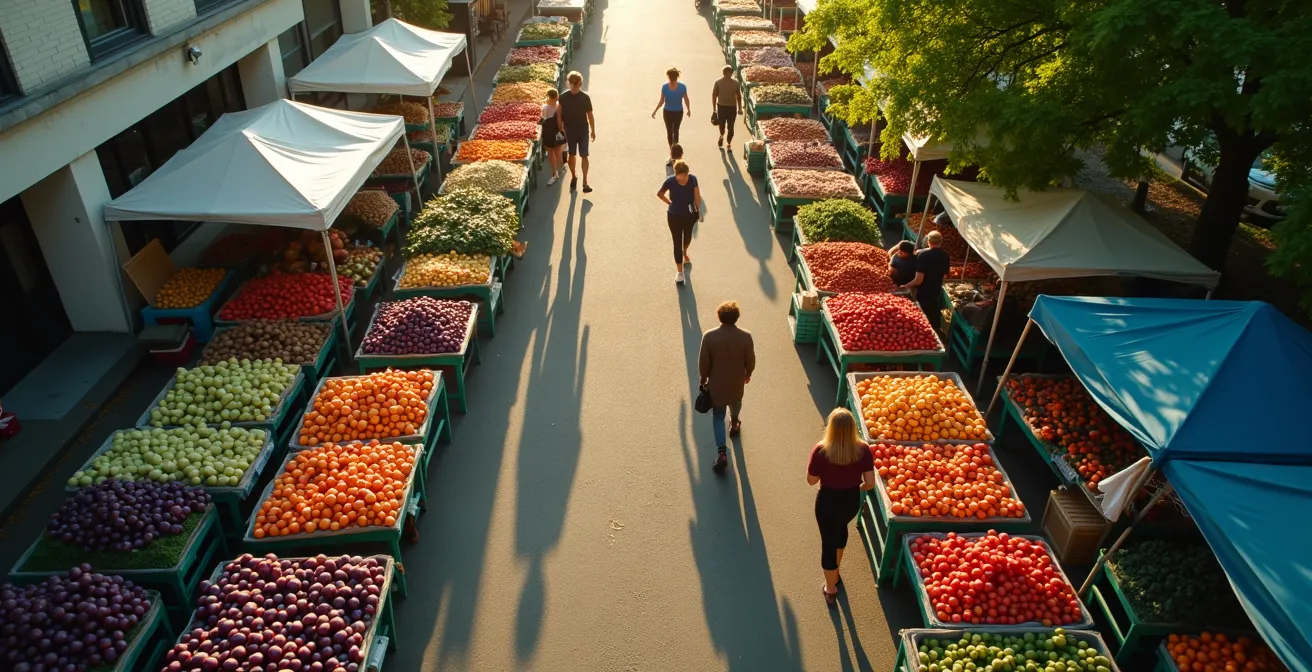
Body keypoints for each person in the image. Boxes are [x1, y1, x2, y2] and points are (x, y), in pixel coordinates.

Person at [806, 407, 875, 605]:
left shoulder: (821, 450)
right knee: (841, 529)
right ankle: (836, 572)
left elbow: (811, 480)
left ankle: (830, 587)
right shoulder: (863, 449)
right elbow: (869, 483)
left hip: (827, 500)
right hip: (851, 500)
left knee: (828, 541)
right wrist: (857, 487)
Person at [698, 301, 755, 472]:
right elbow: (750, 360)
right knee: (736, 402)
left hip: (716, 384)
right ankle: (735, 423)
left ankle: (722, 452)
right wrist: (748, 374)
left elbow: (703, 362)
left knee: (718, 415)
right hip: (736, 382)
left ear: (719, 316)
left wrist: (703, 379)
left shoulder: (709, 336)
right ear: (737, 317)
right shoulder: (746, 337)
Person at [657, 160, 701, 284]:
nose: (681, 179)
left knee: (687, 238)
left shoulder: (693, 179)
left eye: (684, 176)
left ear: (688, 173)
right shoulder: (670, 181)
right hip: (674, 216)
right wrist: (669, 203)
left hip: (690, 215)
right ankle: (680, 272)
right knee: (677, 241)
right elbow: (660, 194)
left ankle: (685, 251)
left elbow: (697, 195)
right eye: (679, 176)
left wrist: (698, 209)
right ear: (675, 174)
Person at [900, 230, 951, 330]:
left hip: (924, 292)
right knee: (934, 314)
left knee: (923, 318)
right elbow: (946, 275)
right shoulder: (945, 255)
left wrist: (906, 285)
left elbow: (918, 280)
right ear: (941, 242)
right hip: (937, 290)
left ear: (928, 241)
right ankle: (936, 331)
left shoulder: (923, 256)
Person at [557, 71, 595, 193]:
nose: (575, 87)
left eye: (577, 85)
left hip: (583, 129)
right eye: (573, 85)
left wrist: (593, 130)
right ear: (569, 83)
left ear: (580, 84)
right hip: (570, 130)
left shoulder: (585, 98)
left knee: (584, 155)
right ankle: (574, 176)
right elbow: (559, 115)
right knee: (571, 155)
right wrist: (560, 128)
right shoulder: (563, 97)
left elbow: (590, 115)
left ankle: (585, 182)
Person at [651, 67, 691, 166]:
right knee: (673, 131)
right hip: (673, 112)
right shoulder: (681, 87)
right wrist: (688, 109)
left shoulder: (668, 87)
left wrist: (689, 109)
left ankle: (674, 154)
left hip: (672, 112)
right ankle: (674, 154)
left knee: (673, 131)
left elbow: (662, 101)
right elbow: (686, 99)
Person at [710, 65, 742, 149]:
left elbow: (739, 96)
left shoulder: (736, 84)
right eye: (726, 73)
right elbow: (714, 96)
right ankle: (721, 136)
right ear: (723, 73)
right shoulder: (718, 82)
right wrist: (714, 109)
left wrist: (740, 108)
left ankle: (729, 142)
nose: (728, 75)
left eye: (729, 73)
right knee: (722, 125)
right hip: (721, 107)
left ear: (731, 73)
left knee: (731, 127)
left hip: (732, 108)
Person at [540, 89, 566, 186]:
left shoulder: (545, 108)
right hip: (557, 131)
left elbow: (543, 118)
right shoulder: (559, 106)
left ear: (548, 97)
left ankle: (555, 173)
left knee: (550, 151)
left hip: (548, 132)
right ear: (557, 96)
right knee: (558, 149)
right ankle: (561, 167)